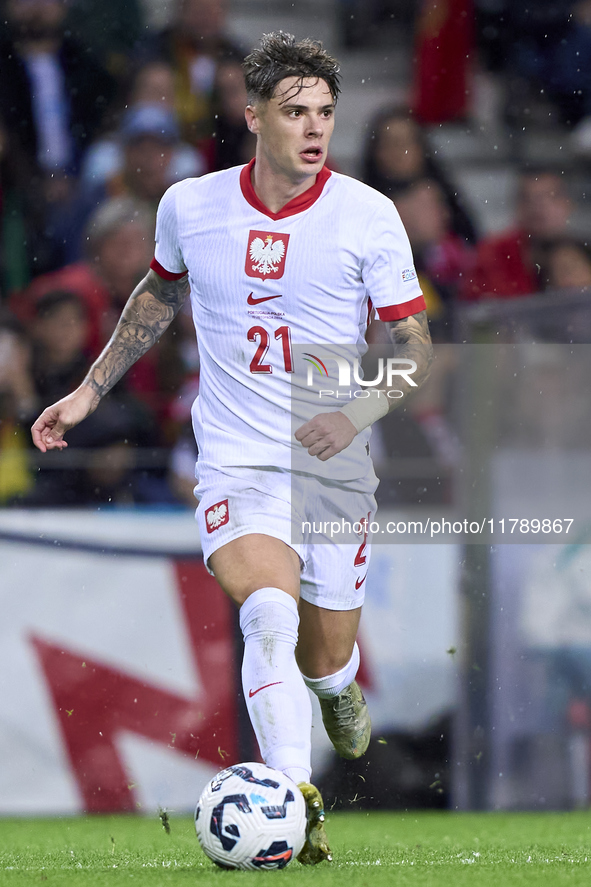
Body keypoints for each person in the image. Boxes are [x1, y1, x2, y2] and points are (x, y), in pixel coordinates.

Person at [31, 32, 432, 864]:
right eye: (295, 112)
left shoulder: (368, 214)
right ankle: (294, 804)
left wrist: (356, 412)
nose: (314, 128)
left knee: (325, 659)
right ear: (253, 117)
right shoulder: (190, 205)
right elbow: (157, 291)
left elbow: (414, 346)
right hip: (237, 457)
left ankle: (335, 688)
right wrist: (89, 389)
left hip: (332, 462)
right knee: (267, 613)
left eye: (325, 112)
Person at [462, 167, 573, 301]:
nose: (540, 207)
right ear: (517, 207)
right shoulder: (494, 254)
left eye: (550, 197)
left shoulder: (581, 252)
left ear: (568, 204)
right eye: (529, 199)